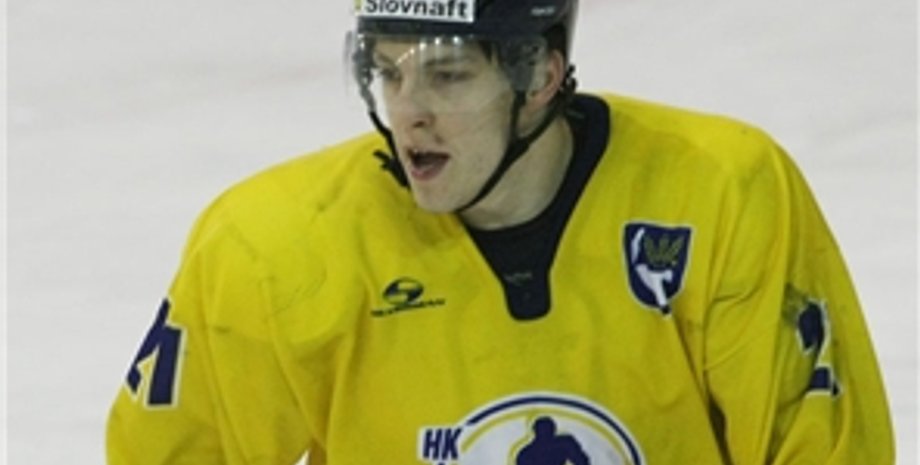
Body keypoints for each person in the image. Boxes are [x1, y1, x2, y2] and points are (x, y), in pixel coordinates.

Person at [106, 0, 895, 463]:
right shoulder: (272, 246)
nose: (409, 111)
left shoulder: (719, 192)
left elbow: (821, 447)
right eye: (388, 72)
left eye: (447, 74)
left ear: (539, 77)